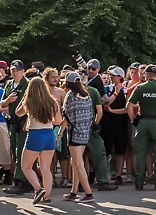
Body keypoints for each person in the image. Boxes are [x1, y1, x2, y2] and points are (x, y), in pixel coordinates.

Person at [16, 75, 63, 204]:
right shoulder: (53, 102)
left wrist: (24, 98)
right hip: (49, 135)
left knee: (26, 166)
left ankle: (38, 189)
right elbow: (58, 121)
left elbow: (18, 113)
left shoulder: (30, 102)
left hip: (35, 135)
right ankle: (47, 196)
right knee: (46, 169)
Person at [127, 64, 156, 191]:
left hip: (143, 122)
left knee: (140, 152)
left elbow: (129, 104)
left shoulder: (140, 88)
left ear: (146, 75)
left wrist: (132, 119)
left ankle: (139, 182)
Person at [60, 71, 96, 202]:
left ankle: (88, 193)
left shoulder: (70, 97)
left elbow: (66, 118)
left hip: (74, 134)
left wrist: (59, 135)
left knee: (79, 165)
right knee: (74, 163)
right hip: (84, 134)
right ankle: (73, 192)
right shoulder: (87, 96)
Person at [1, 60, 32, 194]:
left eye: (17, 70)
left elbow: (32, 103)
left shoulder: (28, 84)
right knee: (14, 151)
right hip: (12, 121)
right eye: (13, 70)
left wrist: (28, 120)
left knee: (21, 152)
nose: (15, 73)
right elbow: (2, 104)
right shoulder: (9, 84)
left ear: (23, 71)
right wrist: (8, 100)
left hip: (24, 121)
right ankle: (23, 180)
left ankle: (21, 180)